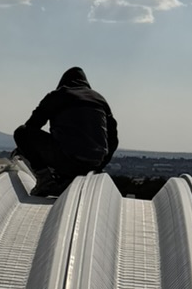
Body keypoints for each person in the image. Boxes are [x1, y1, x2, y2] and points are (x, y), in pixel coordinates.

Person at [13, 66, 117, 199]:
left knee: (21, 132)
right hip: (93, 164)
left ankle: (45, 180)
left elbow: (32, 126)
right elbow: (113, 140)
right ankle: (69, 176)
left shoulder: (59, 95)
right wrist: (99, 165)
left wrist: (24, 151)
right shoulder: (100, 100)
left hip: (66, 158)